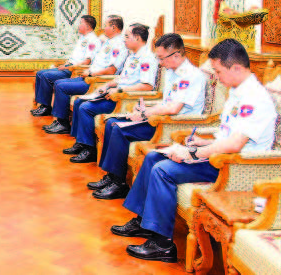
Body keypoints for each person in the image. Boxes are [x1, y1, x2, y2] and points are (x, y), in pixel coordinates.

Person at [112, 39, 277, 263]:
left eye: (218, 71)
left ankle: (162, 245)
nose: (216, 77)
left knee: (163, 170)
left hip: (233, 166)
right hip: (220, 155)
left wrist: (192, 154)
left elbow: (235, 145)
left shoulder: (255, 98)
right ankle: (144, 223)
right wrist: (201, 141)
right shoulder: (238, 92)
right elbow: (228, 133)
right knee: (152, 157)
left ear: (237, 68)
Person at [90, 33, 207, 200]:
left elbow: (174, 108)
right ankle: (111, 176)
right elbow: (166, 102)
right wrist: (145, 109)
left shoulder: (191, 75)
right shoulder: (172, 71)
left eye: (161, 58)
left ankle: (118, 184)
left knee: (118, 129)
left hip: (172, 126)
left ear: (176, 55)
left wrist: (146, 113)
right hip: (159, 118)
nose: (159, 63)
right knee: (111, 123)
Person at [64, 24, 158, 163]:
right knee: (79, 102)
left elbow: (147, 86)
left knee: (85, 108)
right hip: (114, 94)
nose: (124, 39)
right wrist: (108, 85)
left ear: (138, 38)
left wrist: (119, 90)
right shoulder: (132, 55)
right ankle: (81, 143)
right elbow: (124, 78)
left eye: (127, 36)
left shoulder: (147, 58)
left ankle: (89, 150)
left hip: (125, 100)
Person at [43, 15, 128, 134]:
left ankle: (63, 123)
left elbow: (111, 70)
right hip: (90, 76)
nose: (103, 28)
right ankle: (61, 122)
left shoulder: (119, 45)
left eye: (106, 25)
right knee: (58, 83)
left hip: (97, 81)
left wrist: (92, 73)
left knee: (61, 86)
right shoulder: (108, 41)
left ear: (113, 27)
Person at [32, 15, 100, 116]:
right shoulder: (83, 38)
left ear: (88, 26)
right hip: (68, 66)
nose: (78, 25)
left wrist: (67, 67)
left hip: (73, 70)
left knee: (45, 76)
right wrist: (65, 64)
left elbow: (87, 61)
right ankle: (42, 105)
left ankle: (46, 107)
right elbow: (75, 57)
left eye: (81, 23)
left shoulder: (92, 40)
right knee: (40, 74)